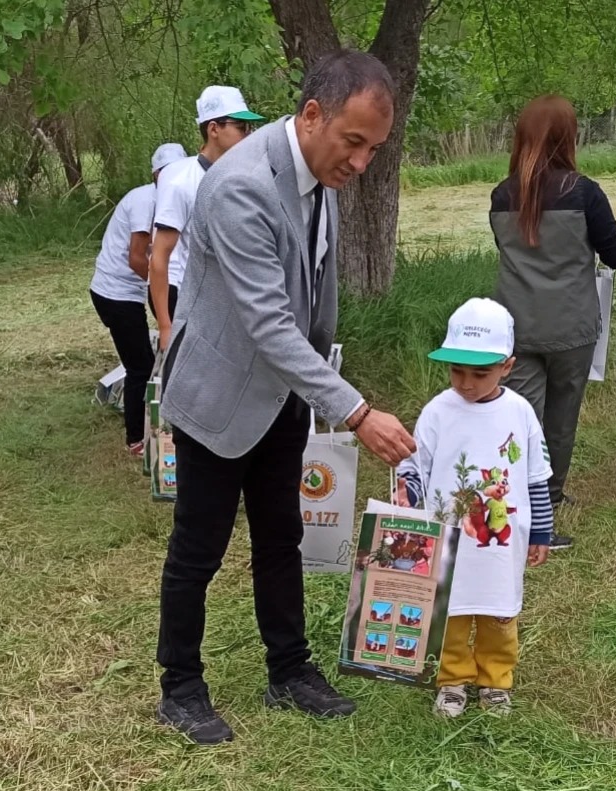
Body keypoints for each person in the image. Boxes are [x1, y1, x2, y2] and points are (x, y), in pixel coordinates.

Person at [155, 50, 416, 746]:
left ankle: (289, 670)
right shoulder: (241, 186)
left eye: (373, 148)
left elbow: (313, 295)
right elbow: (267, 321)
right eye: (352, 142)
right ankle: (179, 686)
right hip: (218, 395)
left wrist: (320, 380)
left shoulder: (320, 175)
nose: (360, 163)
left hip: (281, 396)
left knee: (282, 538)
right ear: (310, 115)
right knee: (197, 550)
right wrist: (355, 410)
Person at [395, 298, 553, 718]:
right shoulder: (437, 412)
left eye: (479, 373)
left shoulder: (519, 413)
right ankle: (452, 680)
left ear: (507, 366)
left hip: (501, 544)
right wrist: (408, 505)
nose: (466, 383)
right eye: (456, 371)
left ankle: (495, 680)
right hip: (449, 539)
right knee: (451, 610)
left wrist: (541, 532)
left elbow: (536, 476)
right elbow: (414, 467)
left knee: (499, 612)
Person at [489, 95, 616, 549]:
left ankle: (513, 504)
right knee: (560, 421)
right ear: (568, 137)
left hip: (518, 326)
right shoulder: (584, 192)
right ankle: (547, 502)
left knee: (519, 418)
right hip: (571, 326)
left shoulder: (501, 195)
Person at [90, 142, 187, 455]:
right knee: (140, 366)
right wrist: (159, 289)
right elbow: (136, 257)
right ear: (157, 175)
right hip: (115, 293)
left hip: (127, 291)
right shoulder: (146, 200)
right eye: (168, 173)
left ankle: (159, 425)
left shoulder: (171, 199)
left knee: (146, 358)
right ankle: (136, 439)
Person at [149, 86, 265, 350]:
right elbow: (159, 256)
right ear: (214, 129)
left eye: (250, 128)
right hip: (186, 294)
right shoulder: (180, 179)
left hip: (226, 294)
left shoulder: (243, 175)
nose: (248, 135)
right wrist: (166, 327)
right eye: (241, 126)